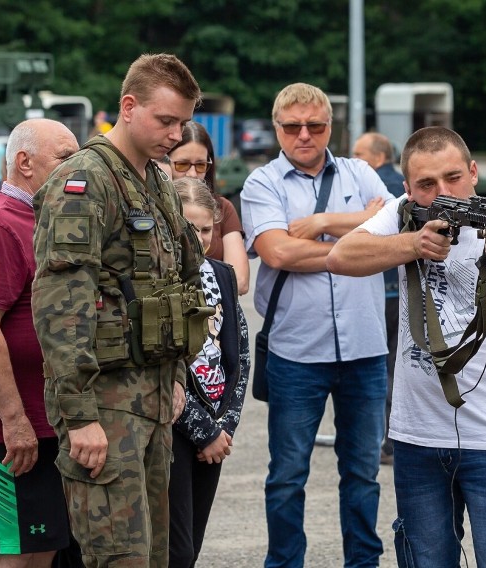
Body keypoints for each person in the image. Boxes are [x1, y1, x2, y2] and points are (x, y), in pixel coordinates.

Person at [327, 126, 486, 567]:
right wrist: (412, 242)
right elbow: (340, 257)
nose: (443, 192)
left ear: (474, 172)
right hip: (417, 435)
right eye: (427, 185)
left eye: (453, 178)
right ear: (408, 188)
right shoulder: (401, 213)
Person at [32, 53, 206, 568]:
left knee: (153, 557)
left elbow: (176, 282)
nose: (176, 134)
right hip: (104, 408)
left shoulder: (155, 181)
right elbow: (61, 307)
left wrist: (174, 375)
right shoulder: (84, 181)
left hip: (150, 402)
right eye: (166, 120)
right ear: (128, 107)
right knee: (119, 559)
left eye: (182, 122)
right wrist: (80, 417)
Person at [240, 82, 393, 568]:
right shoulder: (261, 183)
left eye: (316, 125)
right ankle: (284, 563)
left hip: (366, 350)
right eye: (292, 126)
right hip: (295, 353)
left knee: (364, 473)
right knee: (287, 475)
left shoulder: (359, 171)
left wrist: (323, 220)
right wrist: (358, 235)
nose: (304, 135)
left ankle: (362, 563)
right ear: (277, 128)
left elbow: (398, 225)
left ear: (332, 126)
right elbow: (278, 252)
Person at [0, 118, 78, 567]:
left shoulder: (44, 220)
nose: (76, 167)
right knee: (13, 555)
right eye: (64, 157)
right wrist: (14, 420)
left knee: (41, 550)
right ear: (24, 162)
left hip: (47, 425)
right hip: (11, 434)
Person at [169, 177, 250, 567]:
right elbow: (162, 368)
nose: (198, 238)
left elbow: (240, 354)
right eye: (188, 228)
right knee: (175, 548)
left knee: (194, 543)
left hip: (216, 427)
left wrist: (225, 427)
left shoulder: (222, 274)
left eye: (205, 229)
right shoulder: (158, 278)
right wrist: (204, 431)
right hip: (173, 428)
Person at [351, 131, 405, 465]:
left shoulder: (369, 188)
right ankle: (395, 438)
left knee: (379, 367)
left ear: (378, 157)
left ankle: (384, 440)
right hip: (403, 293)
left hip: (378, 292)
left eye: (359, 153)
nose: (353, 159)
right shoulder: (404, 185)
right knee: (398, 365)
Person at [168, 121, 250, 294]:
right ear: (164, 162)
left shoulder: (222, 207)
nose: (192, 174)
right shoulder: (152, 207)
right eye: (182, 164)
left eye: (200, 165)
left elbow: (240, 282)